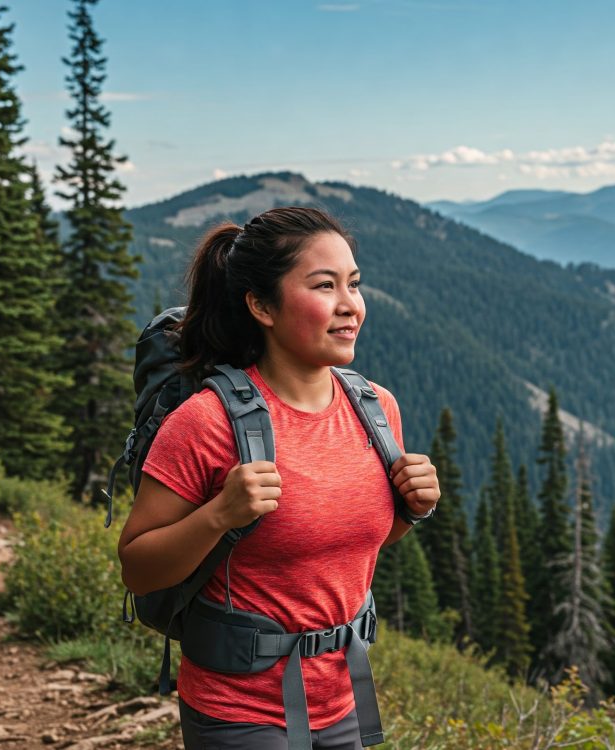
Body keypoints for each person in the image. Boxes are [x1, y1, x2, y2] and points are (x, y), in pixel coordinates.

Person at [117, 206, 440, 750]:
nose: (349, 306)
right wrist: (219, 514)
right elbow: (137, 569)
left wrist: (411, 509)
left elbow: (339, 545)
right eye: (324, 286)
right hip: (237, 710)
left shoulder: (375, 409)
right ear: (262, 305)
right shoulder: (206, 421)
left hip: (342, 701)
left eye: (354, 285)